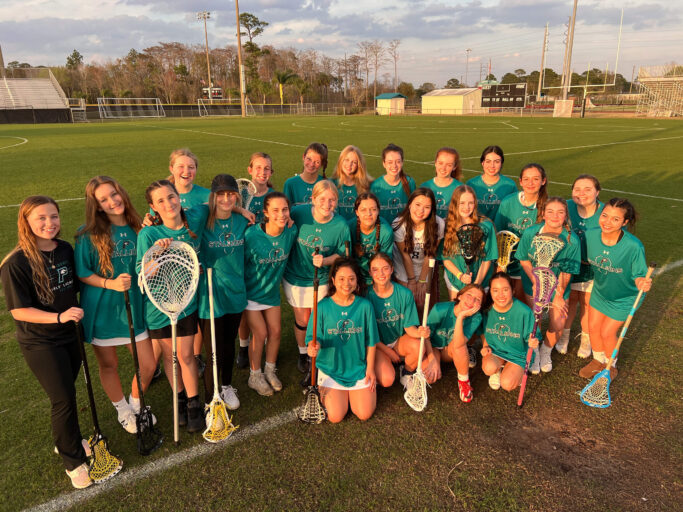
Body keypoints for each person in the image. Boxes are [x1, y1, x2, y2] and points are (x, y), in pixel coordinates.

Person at [0, 196, 92, 488]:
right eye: (41, 218)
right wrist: (59, 317)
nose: (49, 223)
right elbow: (19, 310)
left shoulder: (64, 249)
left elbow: (76, 284)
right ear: (26, 222)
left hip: (70, 336)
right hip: (40, 342)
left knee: (67, 391)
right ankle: (73, 460)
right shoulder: (15, 263)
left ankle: (66, 440)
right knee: (63, 399)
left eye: (53, 216)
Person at [75, 176, 154, 435]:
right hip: (102, 308)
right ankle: (122, 409)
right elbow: (83, 272)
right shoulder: (87, 235)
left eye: (114, 194)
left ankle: (137, 402)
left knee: (148, 364)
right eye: (103, 199)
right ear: (96, 206)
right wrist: (110, 284)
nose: (112, 201)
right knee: (109, 365)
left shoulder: (140, 227)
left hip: (136, 305)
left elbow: (145, 263)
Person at [137, 179, 207, 433]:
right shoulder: (148, 234)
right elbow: (143, 274)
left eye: (171, 196)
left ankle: (193, 404)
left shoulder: (193, 221)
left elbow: (217, 201)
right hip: (159, 307)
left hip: (186, 303)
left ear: (179, 196)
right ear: (153, 207)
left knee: (186, 355)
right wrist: (155, 253)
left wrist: (242, 210)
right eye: (161, 201)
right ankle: (178, 396)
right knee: (170, 357)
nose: (168, 204)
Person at [283, 180, 351, 374]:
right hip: (295, 276)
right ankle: (303, 353)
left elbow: (343, 255)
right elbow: (283, 220)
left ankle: (319, 354)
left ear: (337, 202)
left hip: (321, 278)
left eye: (332, 200)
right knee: (303, 320)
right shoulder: (299, 213)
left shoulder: (340, 225)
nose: (326, 204)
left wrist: (326, 260)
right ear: (312, 199)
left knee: (317, 319)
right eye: (322, 199)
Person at [580, 198, 651, 380]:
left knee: (607, 332)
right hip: (601, 291)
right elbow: (584, 259)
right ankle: (597, 360)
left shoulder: (633, 246)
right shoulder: (591, 236)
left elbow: (639, 276)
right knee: (593, 327)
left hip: (624, 297)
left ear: (625, 222)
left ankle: (610, 365)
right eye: (605, 216)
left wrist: (642, 282)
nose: (607, 222)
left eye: (615, 219)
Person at [196, 175, 248, 409]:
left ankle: (225, 386)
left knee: (229, 343)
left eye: (230, 194)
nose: (226, 199)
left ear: (236, 195)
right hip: (210, 295)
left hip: (235, 292)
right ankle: (211, 399)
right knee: (213, 350)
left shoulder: (241, 221)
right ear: (213, 196)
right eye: (221, 194)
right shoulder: (202, 218)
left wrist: (240, 210)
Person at [306, 258, 379, 423]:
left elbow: (371, 341)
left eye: (351, 279)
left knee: (364, 413)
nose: (347, 283)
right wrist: (313, 346)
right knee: (335, 417)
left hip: (358, 368)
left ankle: (354, 393)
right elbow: (312, 339)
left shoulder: (365, 306)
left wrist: (370, 369)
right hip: (331, 369)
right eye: (341, 279)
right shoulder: (322, 306)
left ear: (357, 281)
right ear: (333, 280)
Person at [516, 197, 580, 373]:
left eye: (560, 212)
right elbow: (523, 259)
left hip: (558, 287)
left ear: (566, 215)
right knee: (534, 321)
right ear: (543, 213)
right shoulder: (531, 232)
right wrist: (536, 280)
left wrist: (558, 296)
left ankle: (546, 350)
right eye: (550, 211)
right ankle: (534, 351)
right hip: (533, 284)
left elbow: (568, 270)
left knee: (558, 323)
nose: (555, 216)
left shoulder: (572, 240)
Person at [243, 192, 297, 396]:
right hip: (251, 294)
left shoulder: (291, 232)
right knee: (261, 333)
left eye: (285, 210)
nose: (281, 214)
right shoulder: (252, 235)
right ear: (265, 212)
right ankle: (254, 375)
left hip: (272, 293)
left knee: (275, 332)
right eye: (275, 210)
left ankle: (269, 370)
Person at [365, 252, 434, 388]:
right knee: (387, 380)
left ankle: (406, 372)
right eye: (375, 270)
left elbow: (409, 327)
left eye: (385, 268)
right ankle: (384, 364)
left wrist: (419, 333)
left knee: (419, 346)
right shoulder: (366, 297)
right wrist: (386, 351)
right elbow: (369, 336)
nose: (381, 273)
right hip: (377, 345)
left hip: (398, 341)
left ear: (392, 269)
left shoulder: (405, 294)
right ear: (370, 272)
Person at [236, 152, 275, 368]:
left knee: (265, 301)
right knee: (244, 306)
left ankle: (265, 341)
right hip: (243, 255)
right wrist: (239, 208)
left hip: (266, 258)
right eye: (258, 168)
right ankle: (243, 346)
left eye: (267, 168)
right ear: (250, 170)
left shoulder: (273, 195)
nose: (262, 172)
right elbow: (221, 207)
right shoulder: (240, 194)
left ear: (271, 172)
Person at [559, 174, 604, 358]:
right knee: (569, 302)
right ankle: (564, 336)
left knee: (587, 303)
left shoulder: (605, 212)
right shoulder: (566, 207)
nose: (581, 193)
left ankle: (586, 340)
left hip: (593, 268)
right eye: (577, 189)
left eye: (587, 189)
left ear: (597, 192)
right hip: (569, 265)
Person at [495, 163, 549, 300]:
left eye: (536, 179)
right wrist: (499, 264)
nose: (530, 183)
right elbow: (498, 233)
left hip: (529, 266)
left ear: (543, 181)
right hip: (506, 264)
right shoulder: (508, 202)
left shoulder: (547, 207)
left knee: (523, 303)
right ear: (520, 181)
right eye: (526, 179)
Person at [480, 272, 539, 392]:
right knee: (488, 368)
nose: (500, 295)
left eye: (505, 289)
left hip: (518, 354)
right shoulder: (487, 310)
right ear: (490, 292)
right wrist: (485, 345)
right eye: (495, 290)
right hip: (496, 351)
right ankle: (497, 370)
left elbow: (531, 335)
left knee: (507, 384)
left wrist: (532, 341)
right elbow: (484, 331)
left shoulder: (524, 311)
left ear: (512, 290)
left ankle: (513, 371)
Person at [392, 187, 445, 315]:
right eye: (417, 204)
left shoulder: (438, 224)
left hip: (424, 264)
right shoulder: (399, 224)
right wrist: (411, 280)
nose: (421, 211)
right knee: (408, 299)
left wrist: (422, 280)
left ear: (432, 209)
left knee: (421, 302)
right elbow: (405, 255)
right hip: (404, 265)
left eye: (427, 207)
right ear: (409, 204)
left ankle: (422, 329)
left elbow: (430, 254)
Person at [426, 285, 484, 402]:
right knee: (429, 378)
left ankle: (464, 381)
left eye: (477, 299)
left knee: (460, 346)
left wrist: (461, 317)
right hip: (432, 346)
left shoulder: (476, 317)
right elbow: (425, 337)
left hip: (451, 349)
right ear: (460, 296)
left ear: (479, 306)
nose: (471, 301)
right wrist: (432, 358)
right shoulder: (439, 309)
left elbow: (459, 343)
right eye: (469, 295)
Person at [440, 185, 498, 298]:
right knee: (456, 313)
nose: (466, 207)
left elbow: (488, 259)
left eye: (470, 203)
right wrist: (460, 276)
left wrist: (476, 285)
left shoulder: (486, 225)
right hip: (455, 280)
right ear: (455, 203)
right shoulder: (446, 226)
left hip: (480, 281)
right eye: (462, 203)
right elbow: (445, 259)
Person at [348, 193, 393, 285]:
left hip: (376, 276)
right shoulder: (349, 228)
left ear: (378, 211)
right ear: (357, 212)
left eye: (373, 209)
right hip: (354, 275)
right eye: (363, 210)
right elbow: (346, 259)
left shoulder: (386, 231)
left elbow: (385, 263)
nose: (368, 214)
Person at [466, 145, 517, 220]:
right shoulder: (471, 184)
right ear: (482, 163)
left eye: (496, 161)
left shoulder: (510, 185)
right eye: (488, 161)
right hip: (476, 228)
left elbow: (513, 210)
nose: (492, 165)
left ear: (501, 163)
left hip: (500, 229)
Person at [370, 143, 416, 224]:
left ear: (402, 162)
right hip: (383, 231)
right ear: (384, 163)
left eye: (398, 161)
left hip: (404, 231)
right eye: (390, 162)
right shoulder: (376, 186)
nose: (394, 165)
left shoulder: (410, 183)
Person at [419, 147, 464, 219]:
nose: (443, 168)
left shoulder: (460, 188)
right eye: (440, 163)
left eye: (449, 165)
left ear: (454, 167)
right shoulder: (425, 186)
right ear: (435, 163)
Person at [331, 145, 372, 220]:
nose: (349, 165)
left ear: (359, 165)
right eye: (346, 160)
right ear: (341, 160)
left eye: (354, 162)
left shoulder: (366, 185)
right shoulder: (331, 184)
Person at [283, 142, 327, 207]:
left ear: (322, 164)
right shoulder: (290, 184)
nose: (312, 164)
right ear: (303, 157)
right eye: (309, 159)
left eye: (317, 162)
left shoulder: (326, 184)